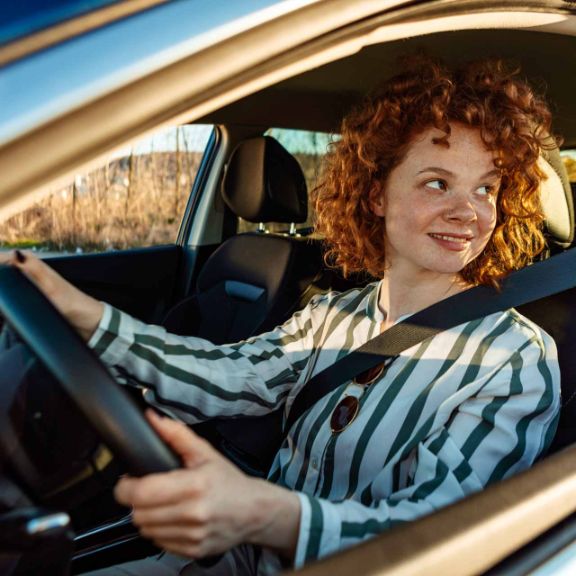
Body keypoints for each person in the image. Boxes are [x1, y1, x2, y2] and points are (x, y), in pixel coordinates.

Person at [0, 56, 561, 575]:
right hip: (242, 559)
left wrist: (264, 513)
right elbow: (223, 375)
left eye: (486, 188)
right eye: (437, 182)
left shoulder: (513, 360)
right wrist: (82, 314)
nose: (468, 212)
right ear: (377, 196)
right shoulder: (333, 314)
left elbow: (442, 541)